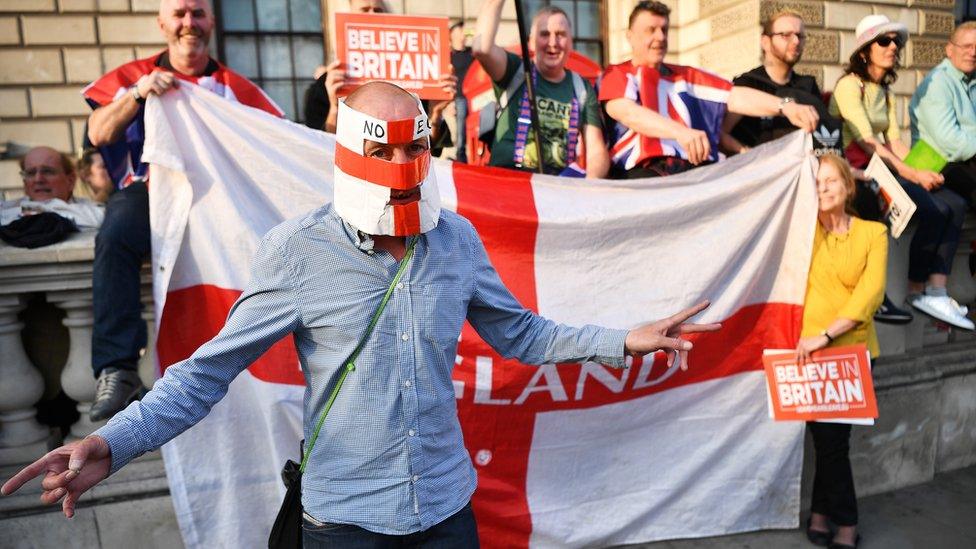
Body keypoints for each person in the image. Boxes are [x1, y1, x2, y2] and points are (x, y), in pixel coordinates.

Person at [0, 82, 721, 546]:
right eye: (392, 152)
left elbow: (524, 333)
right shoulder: (296, 251)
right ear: (351, 160)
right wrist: (114, 442)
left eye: (418, 147)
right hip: (342, 522)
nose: (409, 169)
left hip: (446, 512)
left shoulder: (456, 238)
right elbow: (205, 374)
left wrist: (627, 337)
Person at [83, 0, 285, 423]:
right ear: (162, 23)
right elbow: (98, 132)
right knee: (116, 233)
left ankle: (262, 363)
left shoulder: (237, 88)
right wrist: (139, 94)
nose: (188, 23)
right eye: (179, 14)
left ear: (211, 22)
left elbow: (277, 148)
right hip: (152, 194)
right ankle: (118, 367)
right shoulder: (131, 76)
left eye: (198, 14)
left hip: (217, 200)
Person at [830, 14, 972, 330]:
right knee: (933, 210)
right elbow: (868, 143)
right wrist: (912, 174)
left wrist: (924, 172)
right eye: (884, 40)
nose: (893, 46)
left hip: (881, 168)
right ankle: (914, 289)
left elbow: (894, 142)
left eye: (896, 41)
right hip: (857, 170)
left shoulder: (885, 91)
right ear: (865, 50)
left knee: (956, 203)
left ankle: (936, 289)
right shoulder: (849, 86)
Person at [600, 1, 817, 179]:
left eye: (664, 30)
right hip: (642, 173)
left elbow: (736, 96)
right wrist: (680, 132)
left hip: (694, 172)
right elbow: (628, 113)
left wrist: (785, 106)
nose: (660, 37)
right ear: (630, 36)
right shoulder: (617, 74)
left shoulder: (687, 76)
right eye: (651, 30)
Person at [797, 153, 886, 549]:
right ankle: (824, 516)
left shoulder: (873, 234)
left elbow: (870, 296)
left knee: (832, 444)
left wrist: (826, 335)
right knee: (827, 443)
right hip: (807, 355)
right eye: (817, 182)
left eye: (831, 180)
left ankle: (844, 524)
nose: (823, 188)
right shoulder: (806, 231)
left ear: (848, 186)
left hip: (851, 355)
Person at [473, 0, 610, 178]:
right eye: (544, 34)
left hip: (554, 189)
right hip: (507, 183)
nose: (553, 42)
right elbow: (482, 48)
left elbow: (596, 150)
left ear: (570, 42)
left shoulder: (581, 88)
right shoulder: (515, 71)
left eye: (560, 34)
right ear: (531, 42)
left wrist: (590, 190)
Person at [723, 10, 835, 151]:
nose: (796, 41)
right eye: (786, 35)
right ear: (765, 42)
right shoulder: (748, 83)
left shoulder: (808, 85)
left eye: (800, 36)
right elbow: (720, 133)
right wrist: (746, 153)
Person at [910, 21, 976, 206]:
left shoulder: (971, 80)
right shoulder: (938, 82)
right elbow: (949, 140)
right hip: (936, 162)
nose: (973, 52)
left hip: (964, 159)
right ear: (949, 49)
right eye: (967, 46)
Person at [1, 146, 103, 229]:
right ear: (24, 182)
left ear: (70, 180)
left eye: (47, 171)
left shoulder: (95, 212)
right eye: (31, 173)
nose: (38, 179)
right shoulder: (6, 210)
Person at [449, 20, 474, 162]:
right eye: (459, 32)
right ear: (452, 35)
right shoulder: (450, 55)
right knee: (461, 124)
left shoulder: (471, 53)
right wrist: (450, 101)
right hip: (459, 97)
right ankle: (461, 153)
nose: (462, 35)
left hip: (474, 96)